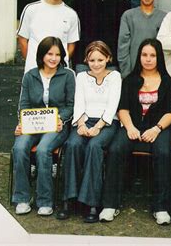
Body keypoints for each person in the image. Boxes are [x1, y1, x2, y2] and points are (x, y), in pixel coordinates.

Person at [100, 39, 171, 223]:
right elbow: (123, 109)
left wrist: (157, 129)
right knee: (116, 149)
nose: (148, 59)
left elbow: (170, 113)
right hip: (132, 126)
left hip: (158, 127)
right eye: (144, 55)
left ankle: (161, 207)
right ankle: (110, 204)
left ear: (159, 57)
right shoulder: (130, 80)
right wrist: (130, 127)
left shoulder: (168, 82)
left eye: (152, 55)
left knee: (164, 152)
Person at [56, 41, 121, 223]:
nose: (96, 63)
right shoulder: (82, 77)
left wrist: (98, 126)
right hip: (84, 120)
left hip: (106, 123)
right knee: (73, 144)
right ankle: (69, 199)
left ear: (108, 58)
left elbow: (112, 106)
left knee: (94, 146)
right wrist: (81, 124)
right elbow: (79, 102)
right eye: (92, 60)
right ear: (86, 60)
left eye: (100, 59)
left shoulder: (115, 76)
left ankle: (91, 202)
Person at [12, 37, 75, 216]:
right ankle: (22, 198)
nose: (53, 58)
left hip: (56, 126)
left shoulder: (68, 75)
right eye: (49, 54)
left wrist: (61, 118)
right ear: (42, 55)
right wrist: (21, 124)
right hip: (34, 123)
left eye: (57, 55)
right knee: (19, 147)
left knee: (43, 150)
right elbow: (24, 104)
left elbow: (71, 105)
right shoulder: (30, 75)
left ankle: (45, 200)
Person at [72, 0, 131, 71]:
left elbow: (124, 36)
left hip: (112, 63)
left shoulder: (123, 1)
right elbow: (75, 33)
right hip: (84, 61)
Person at [17, 0, 80, 73]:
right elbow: (22, 40)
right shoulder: (31, 9)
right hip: (34, 70)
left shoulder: (71, 14)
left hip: (59, 73)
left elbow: (71, 44)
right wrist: (33, 61)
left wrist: (58, 62)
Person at [117, 0, 167, 78]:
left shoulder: (164, 17)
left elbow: (165, 48)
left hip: (156, 73)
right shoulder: (128, 16)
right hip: (132, 71)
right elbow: (123, 47)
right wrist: (126, 74)